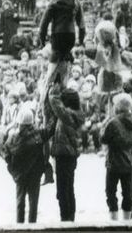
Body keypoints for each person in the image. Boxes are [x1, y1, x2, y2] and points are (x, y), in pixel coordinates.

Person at [4, 107, 49, 223]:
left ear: (19, 122)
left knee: (20, 203)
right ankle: (32, 227)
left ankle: (20, 227)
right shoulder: (38, 135)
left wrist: (13, 170)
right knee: (33, 203)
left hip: (20, 176)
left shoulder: (13, 137)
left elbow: (6, 154)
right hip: (35, 175)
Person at [48, 84, 84, 222]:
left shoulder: (67, 115)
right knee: (68, 187)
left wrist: (53, 89)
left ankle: (66, 219)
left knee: (63, 190)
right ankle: (70, 217)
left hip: (64, 155)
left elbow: (54, 103)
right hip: (70, 155)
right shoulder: (76, 113)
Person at [100, 93, 132, 220]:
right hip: (129, 162)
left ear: (118, 107)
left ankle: (114, 219)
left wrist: (106, 122)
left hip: (114, 162)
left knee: (110, 192)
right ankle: (126, 219)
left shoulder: (113, 123)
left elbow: (103, 138)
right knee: (127, 192)